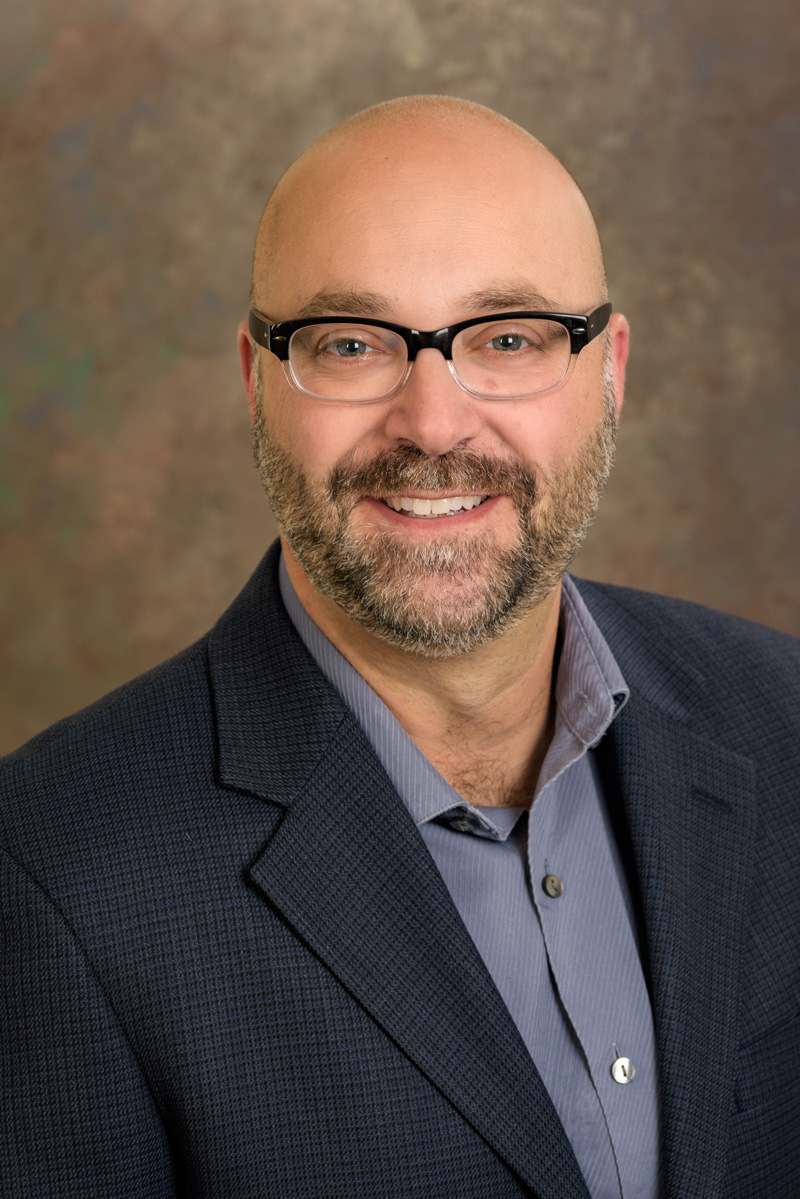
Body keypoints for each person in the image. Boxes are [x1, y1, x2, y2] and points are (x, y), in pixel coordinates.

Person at [1, 96, 798, 1199]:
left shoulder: (782, 719)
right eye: (349, 343)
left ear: (609, 370)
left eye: (509, 337)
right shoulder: (50, 873)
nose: (431, 423)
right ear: (255, 382)